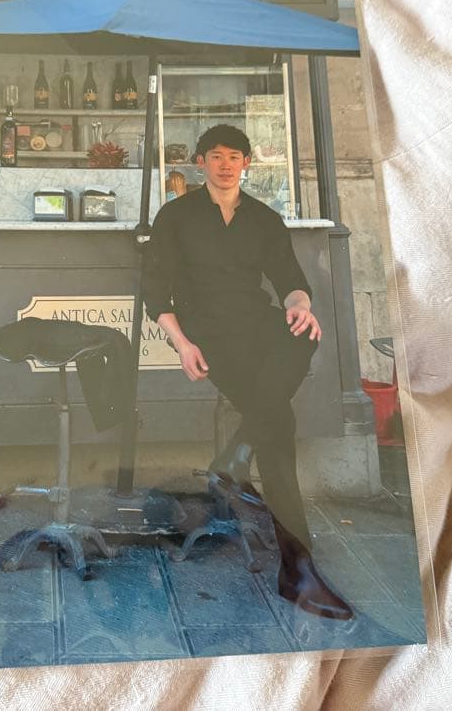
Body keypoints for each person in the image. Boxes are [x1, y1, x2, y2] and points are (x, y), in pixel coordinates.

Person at [142, 124, 354, 621]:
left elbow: (291, 282)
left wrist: (300, 306)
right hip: (210, 335)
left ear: (246, 164)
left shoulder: (263, 218)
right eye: (215, 156)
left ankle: (239, 450)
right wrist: (182, 344)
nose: (225, 165)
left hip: (257, 325)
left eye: (234, 156)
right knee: (277, 424)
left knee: (304, 333)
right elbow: (155, 291)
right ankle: (298, 570)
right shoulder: (175, 216)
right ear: (200, 162)